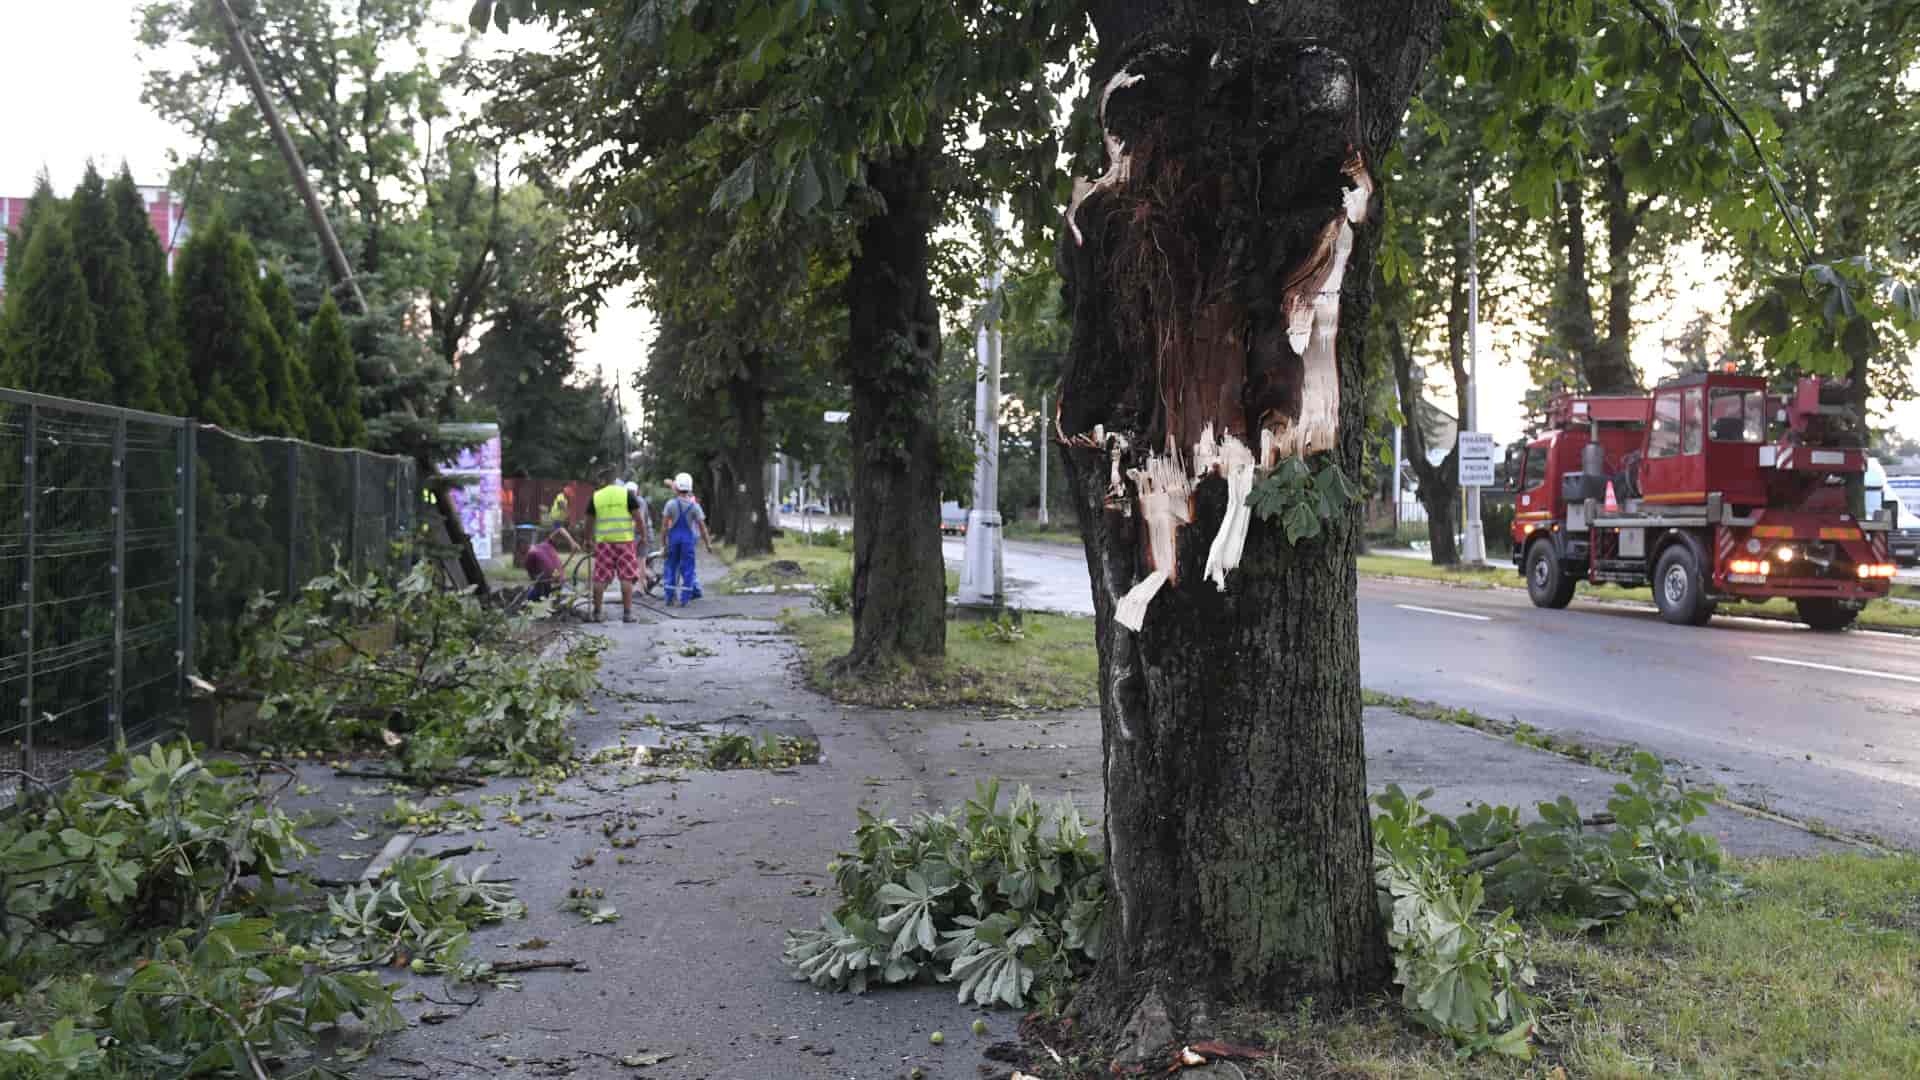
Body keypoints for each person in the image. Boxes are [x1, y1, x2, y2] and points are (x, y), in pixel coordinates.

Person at [585, 466, 649, 622]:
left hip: (604, 543)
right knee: (626, 577)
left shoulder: (596, 496)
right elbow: (638, 518)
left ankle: (597, 613)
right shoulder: (626, 494)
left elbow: (589, 522)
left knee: (600, 578)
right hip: (625, 541)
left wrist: (588, 539)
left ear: (603, 481)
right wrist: (643, 535)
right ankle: (627, 614)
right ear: (615, 480)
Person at [661, 472, 713, 607]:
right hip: (688, 540)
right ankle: (684, 599)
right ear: (690, 488)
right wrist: (708, 544)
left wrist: (663, 544)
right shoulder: (695, 506)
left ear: (677, 488)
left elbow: (664, 527)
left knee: (671, 566)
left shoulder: (670, 504)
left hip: (674, 539)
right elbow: (702, 527)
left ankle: (669, 598)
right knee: (688, 568)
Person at [522, 524, 577, 602]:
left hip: (547, 587)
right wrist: (572, 543)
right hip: (560, 583)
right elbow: (560, 529)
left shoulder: (528, 558)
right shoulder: (546, 544)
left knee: (528, 599)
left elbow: (535, 580)